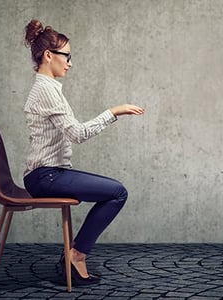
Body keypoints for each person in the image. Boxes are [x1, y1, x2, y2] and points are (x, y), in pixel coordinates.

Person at [22, 19, 144, 285]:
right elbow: (77, 134)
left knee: (115, 191)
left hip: (49, 173)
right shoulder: (46, 91)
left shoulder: (49, 89)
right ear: (48, 55)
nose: (70, 62)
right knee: (117, 192)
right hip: (45, 177)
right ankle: (76, 255)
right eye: (67, 56)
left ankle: (75, 255)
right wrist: (113, 112)